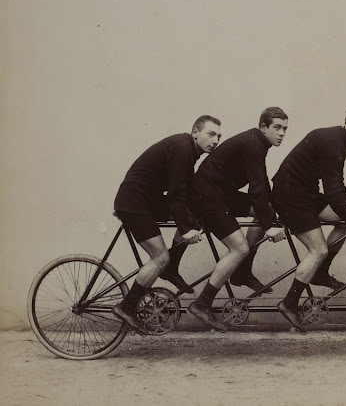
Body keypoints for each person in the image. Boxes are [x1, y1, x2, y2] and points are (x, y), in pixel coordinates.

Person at [111, 115, 222, 334]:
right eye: (211, 134)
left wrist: (195, 221)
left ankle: (171, 267)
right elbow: (176, 194)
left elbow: (186, 193)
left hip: (146, 199)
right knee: (160, 256)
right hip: (134, 202)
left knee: (194, 216)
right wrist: (186, 229)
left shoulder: (189, 151)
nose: (216, 140)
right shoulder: (183, 148)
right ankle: (126, 307)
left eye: (219, 136)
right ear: (195, 133)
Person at [271, 106, 346, 333]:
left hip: (304, 194)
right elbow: (332, 189)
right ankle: (289, 304)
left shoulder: (338, 141)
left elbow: (336, 183)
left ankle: (320, 270)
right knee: (318, 250)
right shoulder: (333, 141)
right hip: (290, 197)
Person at [184, 108, 289, 330]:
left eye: (285, 129)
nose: (282, 133)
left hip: (221, 193)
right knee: (239, 248)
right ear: (263, 127)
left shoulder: (257, 143)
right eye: (277, 128)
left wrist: (274, 214)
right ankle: (202, 304)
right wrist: (270, 226)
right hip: (207, 196)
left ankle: (241, 271)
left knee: (266, 211)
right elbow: (257, 187)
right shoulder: (253, 144)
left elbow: (261, 184)